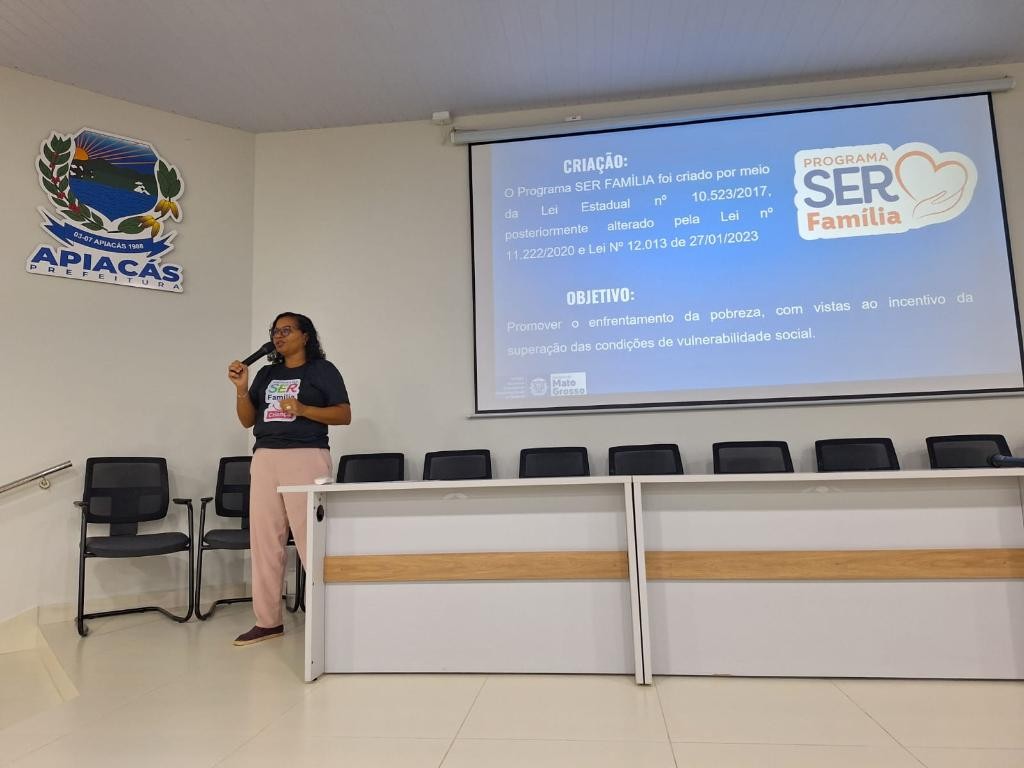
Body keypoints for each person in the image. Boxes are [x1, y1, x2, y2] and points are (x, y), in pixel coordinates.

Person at [227, 312, 351, 645]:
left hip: (306, 456)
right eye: (275, 331)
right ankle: (268, 621)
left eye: (286, 330)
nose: (279, 336)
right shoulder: (267, 373)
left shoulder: (322, 370)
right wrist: (241, 390)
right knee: (265, 541)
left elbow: (344, 414)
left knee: (312, 540)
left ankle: (332, 619)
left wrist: (304, 409)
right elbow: (247, 420)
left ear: (305, 336)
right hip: (265, 457)